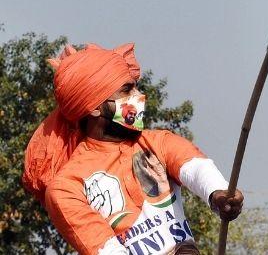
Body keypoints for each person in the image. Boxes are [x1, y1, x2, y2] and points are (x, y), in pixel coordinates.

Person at [23, 43, 243, 255]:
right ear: (95, 108)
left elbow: (195, 167)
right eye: (127, 90)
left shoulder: (158, 141)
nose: (139, 96)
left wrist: (218, 193)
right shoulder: (66, 187)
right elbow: (105, 250)